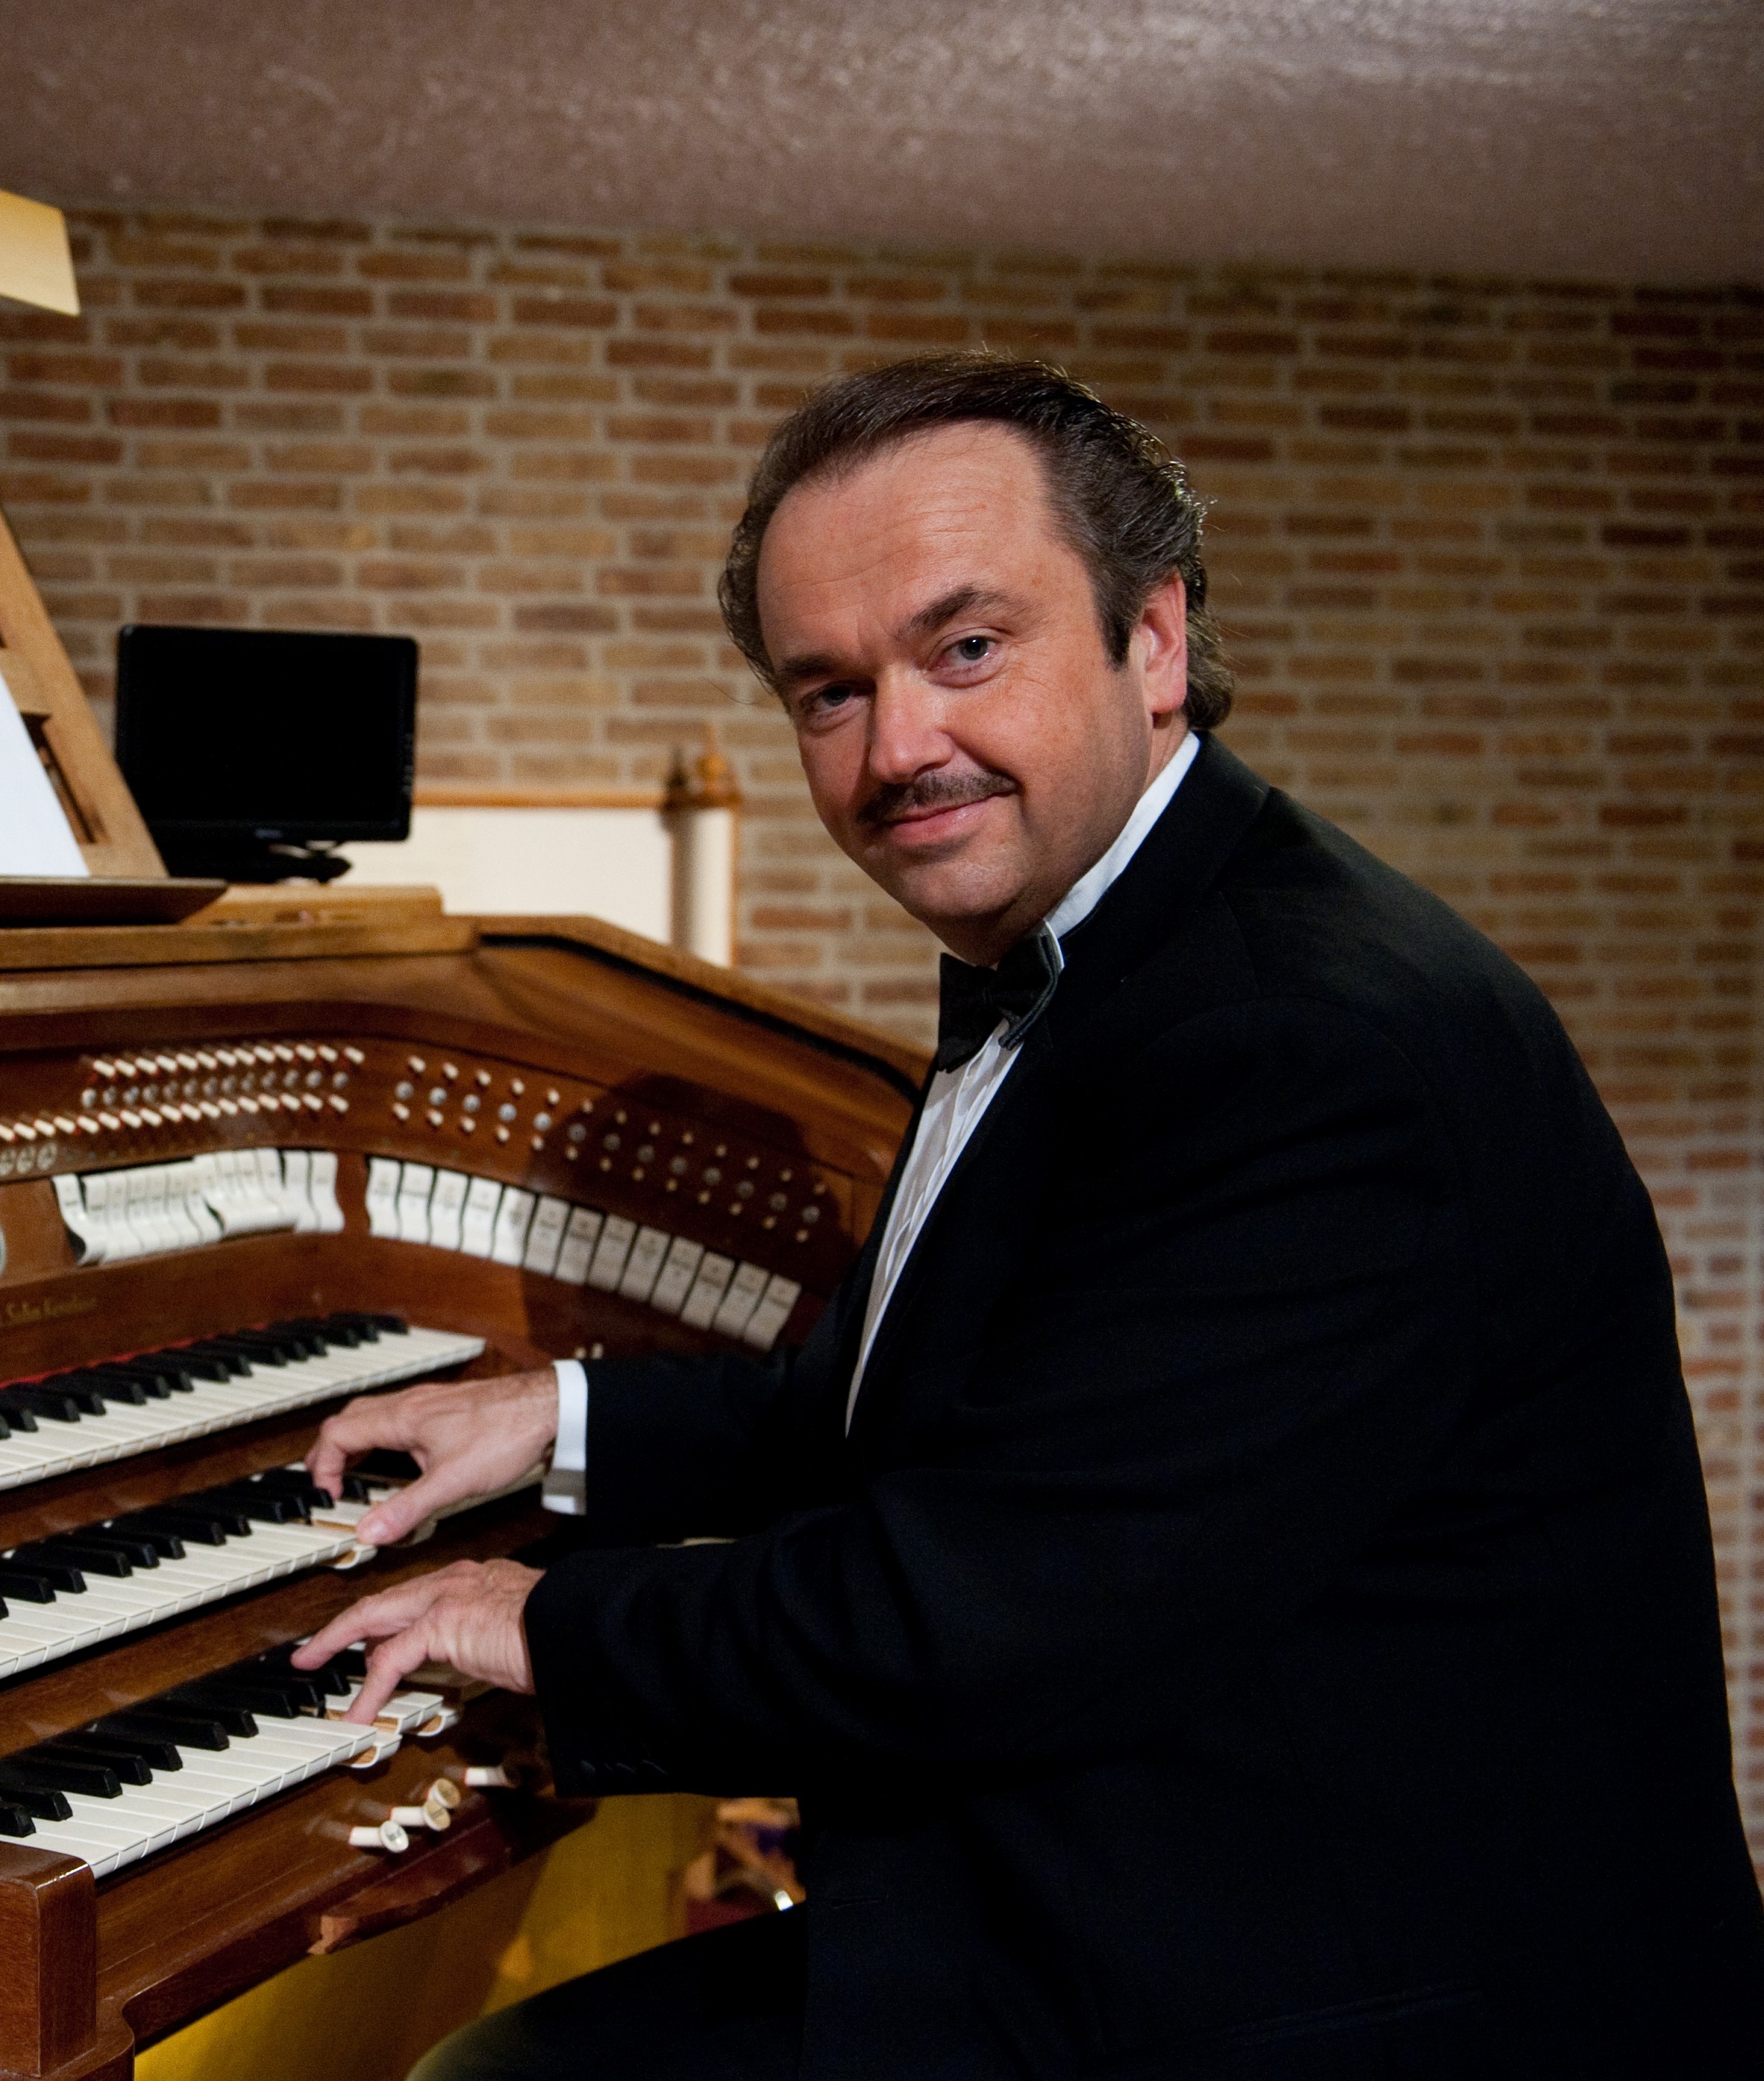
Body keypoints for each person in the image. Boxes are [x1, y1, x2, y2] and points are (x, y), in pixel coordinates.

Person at [292, 352, 1764, 2078]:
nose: (895, 745)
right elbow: (923, 1413)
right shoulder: (1124, 951)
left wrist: (532, 1619)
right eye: (827, 690)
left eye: (965, 647)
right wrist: (561, 1421)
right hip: (1158, 1895)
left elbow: (977, 1608)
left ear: (1153, 638)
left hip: (1335, 1996)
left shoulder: (1300, 1039)